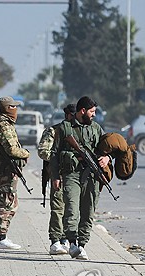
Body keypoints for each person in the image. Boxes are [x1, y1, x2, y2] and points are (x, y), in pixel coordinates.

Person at [50, 96, 109, 260]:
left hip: (91, 175)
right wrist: (55, 176)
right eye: (92, 112)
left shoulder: (96, 128)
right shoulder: (65, 128)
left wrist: (107, 159)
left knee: (88, 211)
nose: (94, 115)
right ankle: (72, 242)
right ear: (82, 111)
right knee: (71, 209)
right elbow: (54, 154)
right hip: (71, 174)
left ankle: (82, 245)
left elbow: (107, 148)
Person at [0, 96, 30, 249]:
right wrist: (26, 153)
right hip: (5, 169)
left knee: (11, 202)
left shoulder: (3, 124)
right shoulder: (4, 126)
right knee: (6, 201)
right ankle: (1, 238)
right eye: (14, 107)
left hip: (6, 168)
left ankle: (2, 236)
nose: (16, 110)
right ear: (8, 109)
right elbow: (12, 149)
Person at [37, 104, 76, 255]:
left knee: (71, 209)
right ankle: (55, 240)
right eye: (73, 115)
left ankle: (66, 238)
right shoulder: (54, 131)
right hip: (58, 175)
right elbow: (43, 151)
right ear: (68, 115)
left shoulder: (78, 131)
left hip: (73, 177)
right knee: (58, 209)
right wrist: (59, 160)